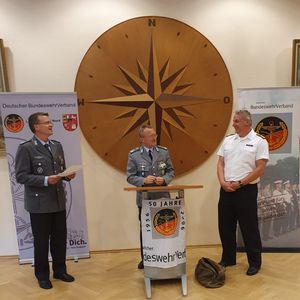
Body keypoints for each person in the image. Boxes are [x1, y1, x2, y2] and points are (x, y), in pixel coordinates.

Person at [15, 112, 76, 289]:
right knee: (41, 241)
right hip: (39, 203)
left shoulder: (57, 146)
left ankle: (59, 270)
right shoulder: (26, 148)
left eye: (50, 122)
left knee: (59, 238)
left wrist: (67, 176)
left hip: (57, 201)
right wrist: (44, 180)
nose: (51, 124)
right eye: (47, 122)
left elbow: (60, 170)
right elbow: (21, 176)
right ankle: (42, 275)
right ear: (36, 127)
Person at [217, 110, 269, 276]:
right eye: (234, 121)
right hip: (226, 189)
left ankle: (254, 262)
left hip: (245, 190)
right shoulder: (228, 140)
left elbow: (260, 169)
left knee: (249, 227)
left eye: (237, 121)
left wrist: (240, 183)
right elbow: (220, 163)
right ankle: (228, 258)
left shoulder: (259, 141)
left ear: (247, 122)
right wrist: (223, 182)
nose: (234, 124)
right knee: (225, 227)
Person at [126, 124, 175, 269]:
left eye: (155, 135)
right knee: (146, 229)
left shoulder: (163, 152)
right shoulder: (134, 155)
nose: (155, 137)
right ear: (142, 139)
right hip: (145, 200)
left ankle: (165, 255)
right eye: (151, 136)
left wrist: (165, 179)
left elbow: (171, 171)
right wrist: (143, 181)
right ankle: (146, 258)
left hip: (162, 198)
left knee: (164, 227)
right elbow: (130, 177)